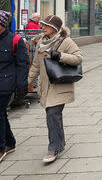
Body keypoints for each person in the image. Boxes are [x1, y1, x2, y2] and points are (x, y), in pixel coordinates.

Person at [28, 15, 82, 163]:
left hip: (60, 85)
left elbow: (78, 58)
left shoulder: (65, 41)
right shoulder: (40, 42)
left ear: (55, 28)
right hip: (45, 86)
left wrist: (59, 55)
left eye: (46, 25)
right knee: (53, 116)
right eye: (42, 25)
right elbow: (36, 66)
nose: (42, 27)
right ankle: (60, 143)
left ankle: (54, 147)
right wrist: (26, 82)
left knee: (52, 114)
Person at [0, 11, 28, 162]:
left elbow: (23, 64)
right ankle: (10, 143)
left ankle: (1, 147)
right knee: (2, 114)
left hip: (6, 84)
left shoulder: (16, 40)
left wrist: (22, 85)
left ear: (2, 25)